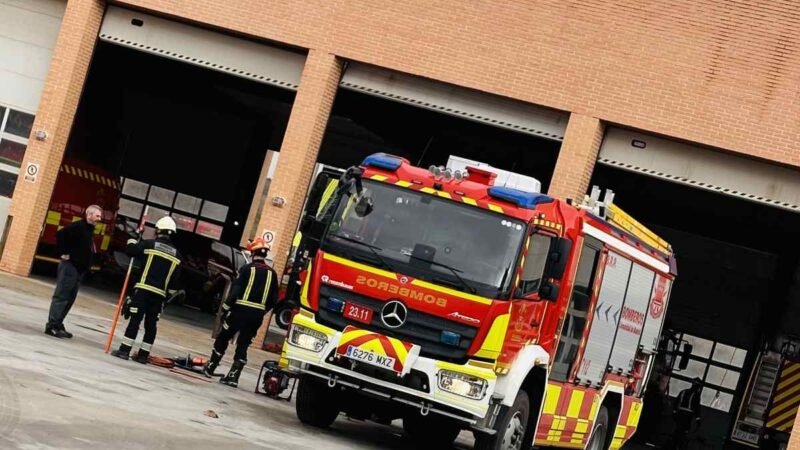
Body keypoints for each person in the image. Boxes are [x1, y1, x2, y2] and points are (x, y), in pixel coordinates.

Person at [203, 238, 278, 387]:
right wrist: (260, 312)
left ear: (252, 253)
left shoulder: (246, 269)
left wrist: (224, 309)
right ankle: (233, 377)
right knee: (243, 344)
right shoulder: (272, 274)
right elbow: (272, 301)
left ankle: (210, 367)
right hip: (256, 316)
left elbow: (235, 292)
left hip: (239, 312)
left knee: (223, 338)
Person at [111, 216, 182, 363]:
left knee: (135, 320)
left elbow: (130, 250)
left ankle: (124, 351)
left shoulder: (149, 244)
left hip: (143, 290)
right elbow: (175, 282)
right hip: (159, 295)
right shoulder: (178, 256)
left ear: (158, 230)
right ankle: (143, 355)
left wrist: (134, 237)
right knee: (151, 325)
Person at [45, 204, 102, 339]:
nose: (99, 218)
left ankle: (58, 323)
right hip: (70, 266)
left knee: (70, 298)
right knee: (62, 296)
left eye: (100, 216)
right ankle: (52, 325)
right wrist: (63, 253)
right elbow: (60, 234)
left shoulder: (89, 229)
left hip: (78, 269)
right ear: (89, 215)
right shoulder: (78, 227)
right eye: (97, 215)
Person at [672, 377, 703, 449]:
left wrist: (674, 412)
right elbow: (696, 407)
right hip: (687, 416)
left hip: (679, 413)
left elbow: (676, 402)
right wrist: (698, 419)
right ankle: (678, 446)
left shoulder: (683, 392)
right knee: (684, 431)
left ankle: (673, 445)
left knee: (678, 429)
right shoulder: (696, 395)